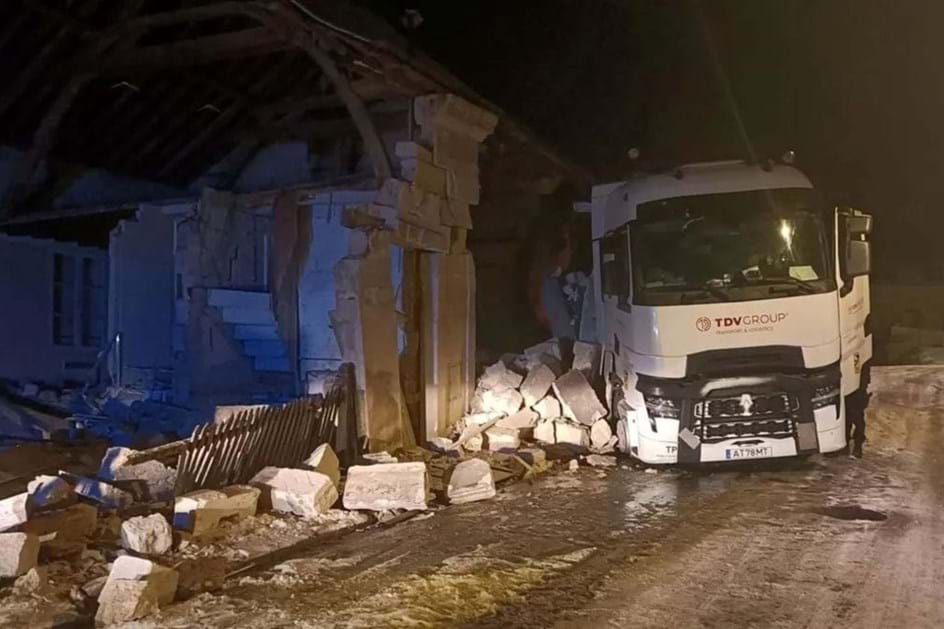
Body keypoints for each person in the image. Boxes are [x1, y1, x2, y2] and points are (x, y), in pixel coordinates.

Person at [529, 221, 576, 367]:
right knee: (563, 340)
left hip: (555, 311)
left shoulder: (550, 275)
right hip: (554, 313)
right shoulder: (545, 271)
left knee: (564, 339)